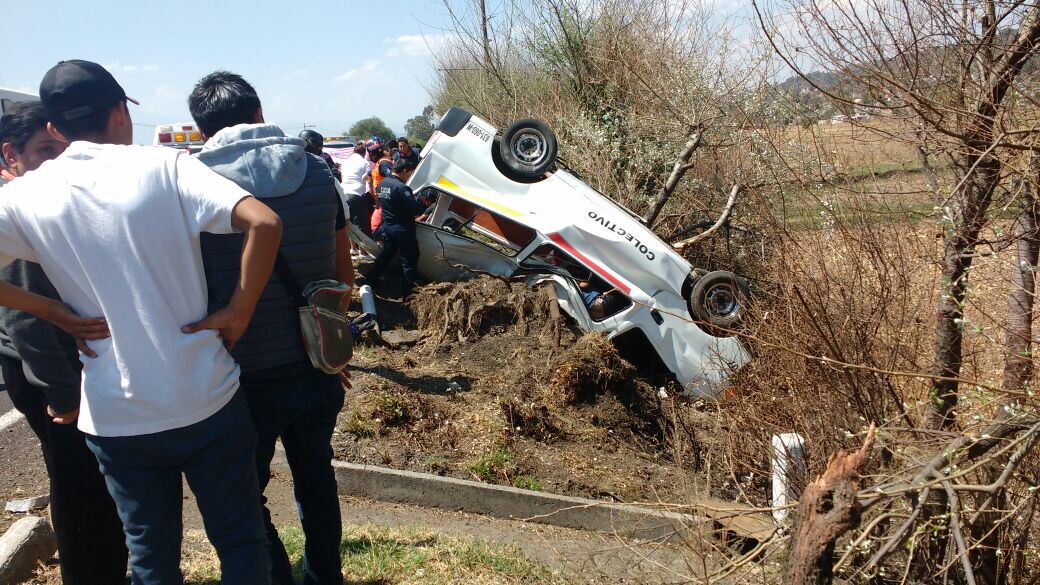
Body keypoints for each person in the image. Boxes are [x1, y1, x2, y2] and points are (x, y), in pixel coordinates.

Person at [0, 60, 283, 585]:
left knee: (151, 555)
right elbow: (264, 222)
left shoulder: (25, 196)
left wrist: (51, 310)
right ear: (119, 113)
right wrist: (238, 310)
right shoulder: (166, 166)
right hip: (207, 396)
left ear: (55, 129)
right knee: (240, 540)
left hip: (116, 413)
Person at [189, 70, 353, 585]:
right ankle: (325, 576)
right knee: (316, 478)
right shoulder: (318, 171)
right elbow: (343, 272)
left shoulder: (191, 183)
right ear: (259, 113)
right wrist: (331, 343)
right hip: (314, 360)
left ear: (202, 131)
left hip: (238, 374)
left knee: (243, 492)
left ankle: (276, 576)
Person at [0, 100, 129, 585]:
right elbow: (25, 319)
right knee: (82, 494)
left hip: (62, 367)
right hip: (50, 375)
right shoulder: (18, 210)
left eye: (62, 148)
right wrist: (65, 396)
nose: (56, 160)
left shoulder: (43, 199)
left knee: (91, 488)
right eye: (44, 149)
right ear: (11, 154)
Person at [363, 158, 427, 295]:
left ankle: (369, 281)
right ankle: (408, 294)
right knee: (408, 261)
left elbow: (380, 204)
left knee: (385, 257)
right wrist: (422, 202)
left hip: (387, 227)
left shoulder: (381, 184)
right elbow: (415, 210)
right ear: (404, 171)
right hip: (403, 230)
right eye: (409, 173)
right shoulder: (401, 188)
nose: (409, 176)